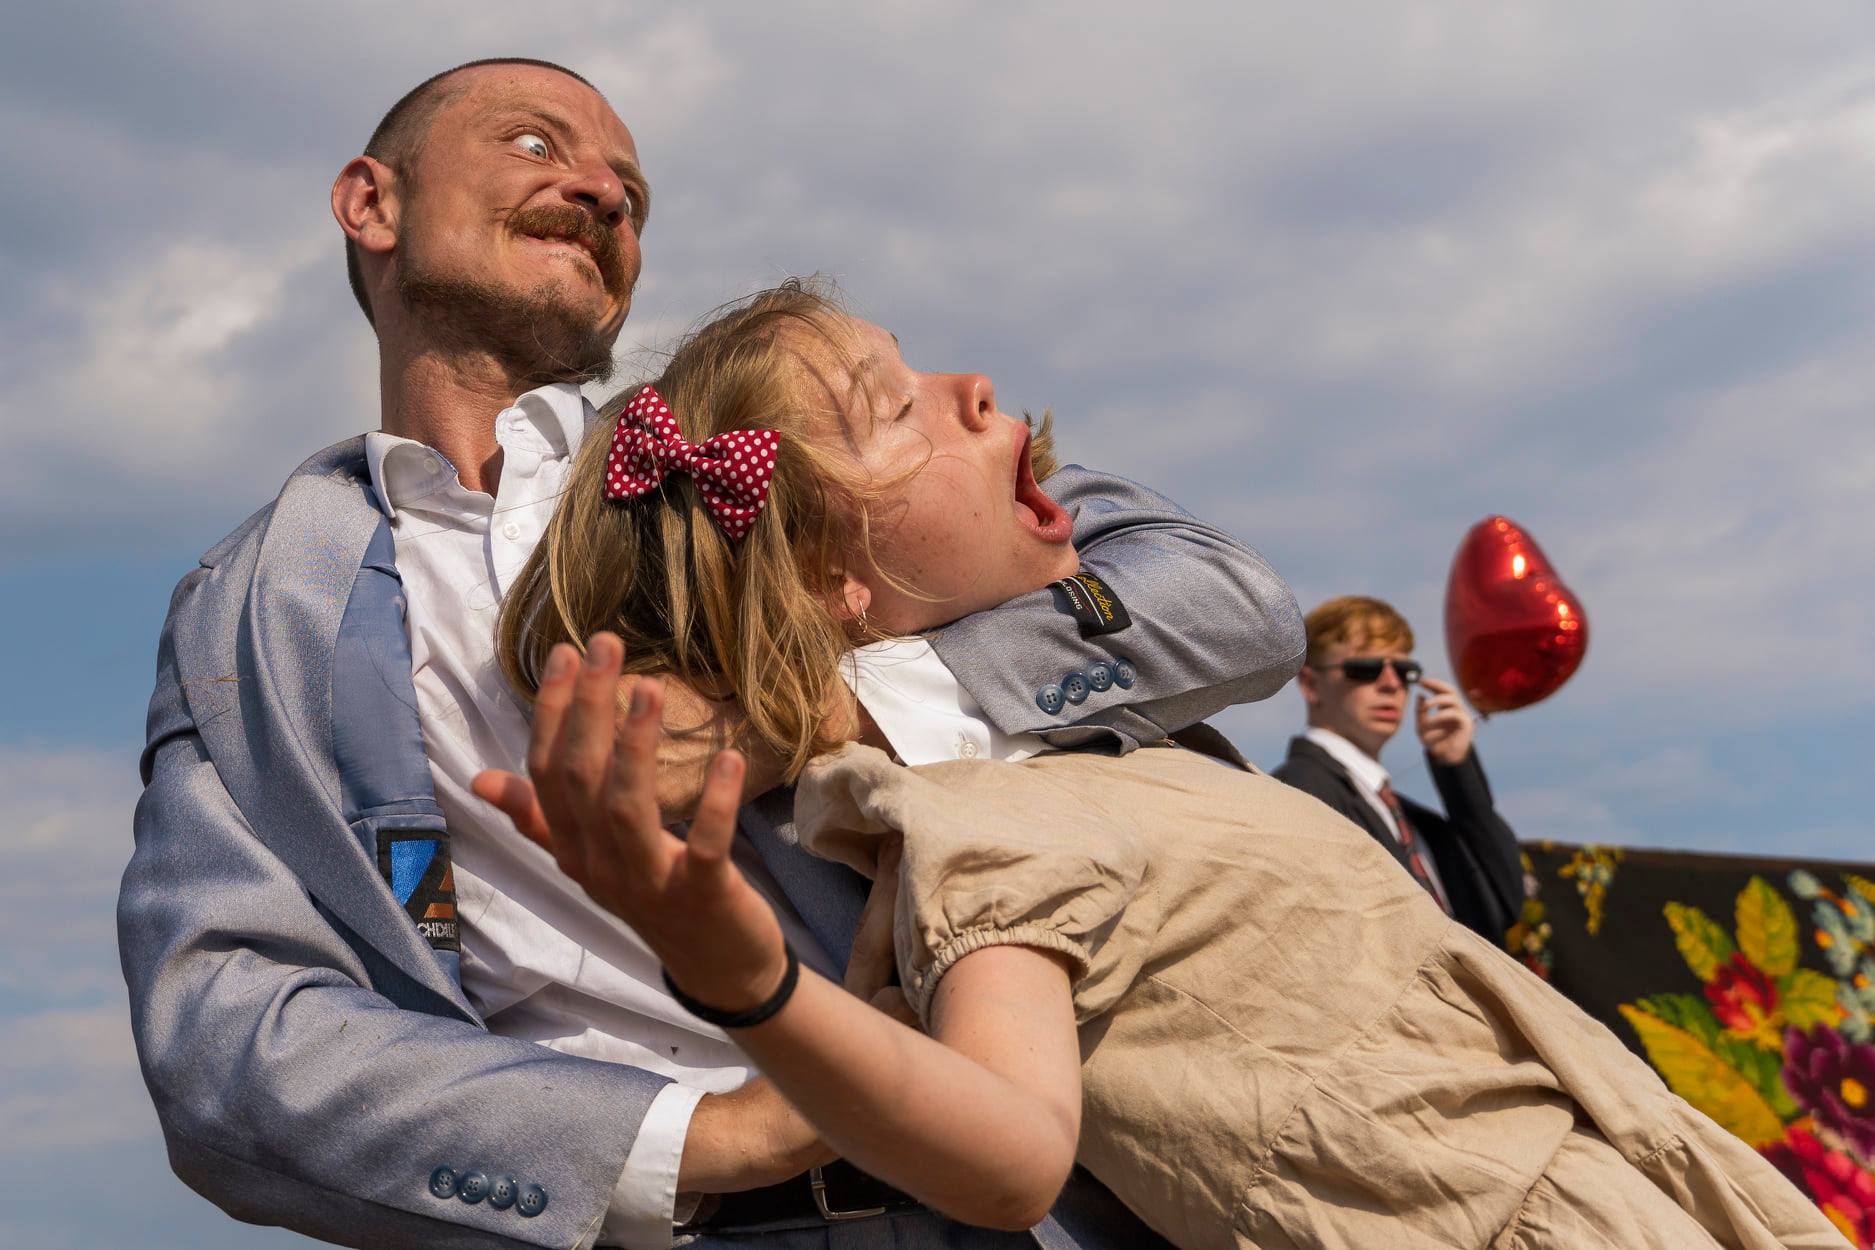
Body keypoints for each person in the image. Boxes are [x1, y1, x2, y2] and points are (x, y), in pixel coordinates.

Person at [116, 61, 1305, 1250]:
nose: (599, 190)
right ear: (371, 203)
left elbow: (1219, 593)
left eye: (629, 188)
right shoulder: (251, 609)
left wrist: (840, 712)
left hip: (1020, 1199)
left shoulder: (763, 429)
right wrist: (712, 1134)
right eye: (537, 144)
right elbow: (226, 1028)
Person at [483, 282, 1842, 1250]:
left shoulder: (1102, 730)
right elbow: (1010, 1151)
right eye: (894, 407)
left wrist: (859, 695)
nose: (974, 388)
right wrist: (749, 982)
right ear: (830, 574)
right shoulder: (970, 824)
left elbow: (1232, 599)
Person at [1271, 596, 1525, 939]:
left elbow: (1505, 903)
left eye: (1406, 671)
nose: (1391, 684)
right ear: (1311, 684)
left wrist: (1456, 771)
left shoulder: (1415, 820)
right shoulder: (1298, 790)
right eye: (1365, 669)